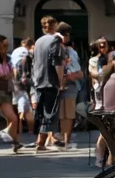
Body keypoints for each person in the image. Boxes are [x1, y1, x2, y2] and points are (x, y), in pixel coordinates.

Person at [31, 16, 65, 151]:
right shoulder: (56, 41)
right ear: (55, 25)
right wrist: (61, 81)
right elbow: (58, 64)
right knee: (50, 111)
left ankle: (41, 141)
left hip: (38, 80)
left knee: (42, 111)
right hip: (51, 81)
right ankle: (47, 140)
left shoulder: (38, 41)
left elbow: (34, 63)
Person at [95, 55, 115, 166]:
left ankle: (99, 159)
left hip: (105, 112)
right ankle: (111, 161)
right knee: (114, 142)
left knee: (104, 138)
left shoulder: (107, 81)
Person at [56, 23, 82, 148]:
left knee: (65, 113)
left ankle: (65, 139)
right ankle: (66, 140)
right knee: (67, 113)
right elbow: (78, 72)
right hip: (68, 83)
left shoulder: (66, 50)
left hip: (63, 83)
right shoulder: (68, 51)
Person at [10, 38, 34, 135]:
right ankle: (30, 130)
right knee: (26, 107)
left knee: (15, 106)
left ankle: (16, 129)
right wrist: (24, 76)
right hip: (21, 81)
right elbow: (23, 62)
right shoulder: (25, 52)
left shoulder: (15, 51)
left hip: (13, 80)